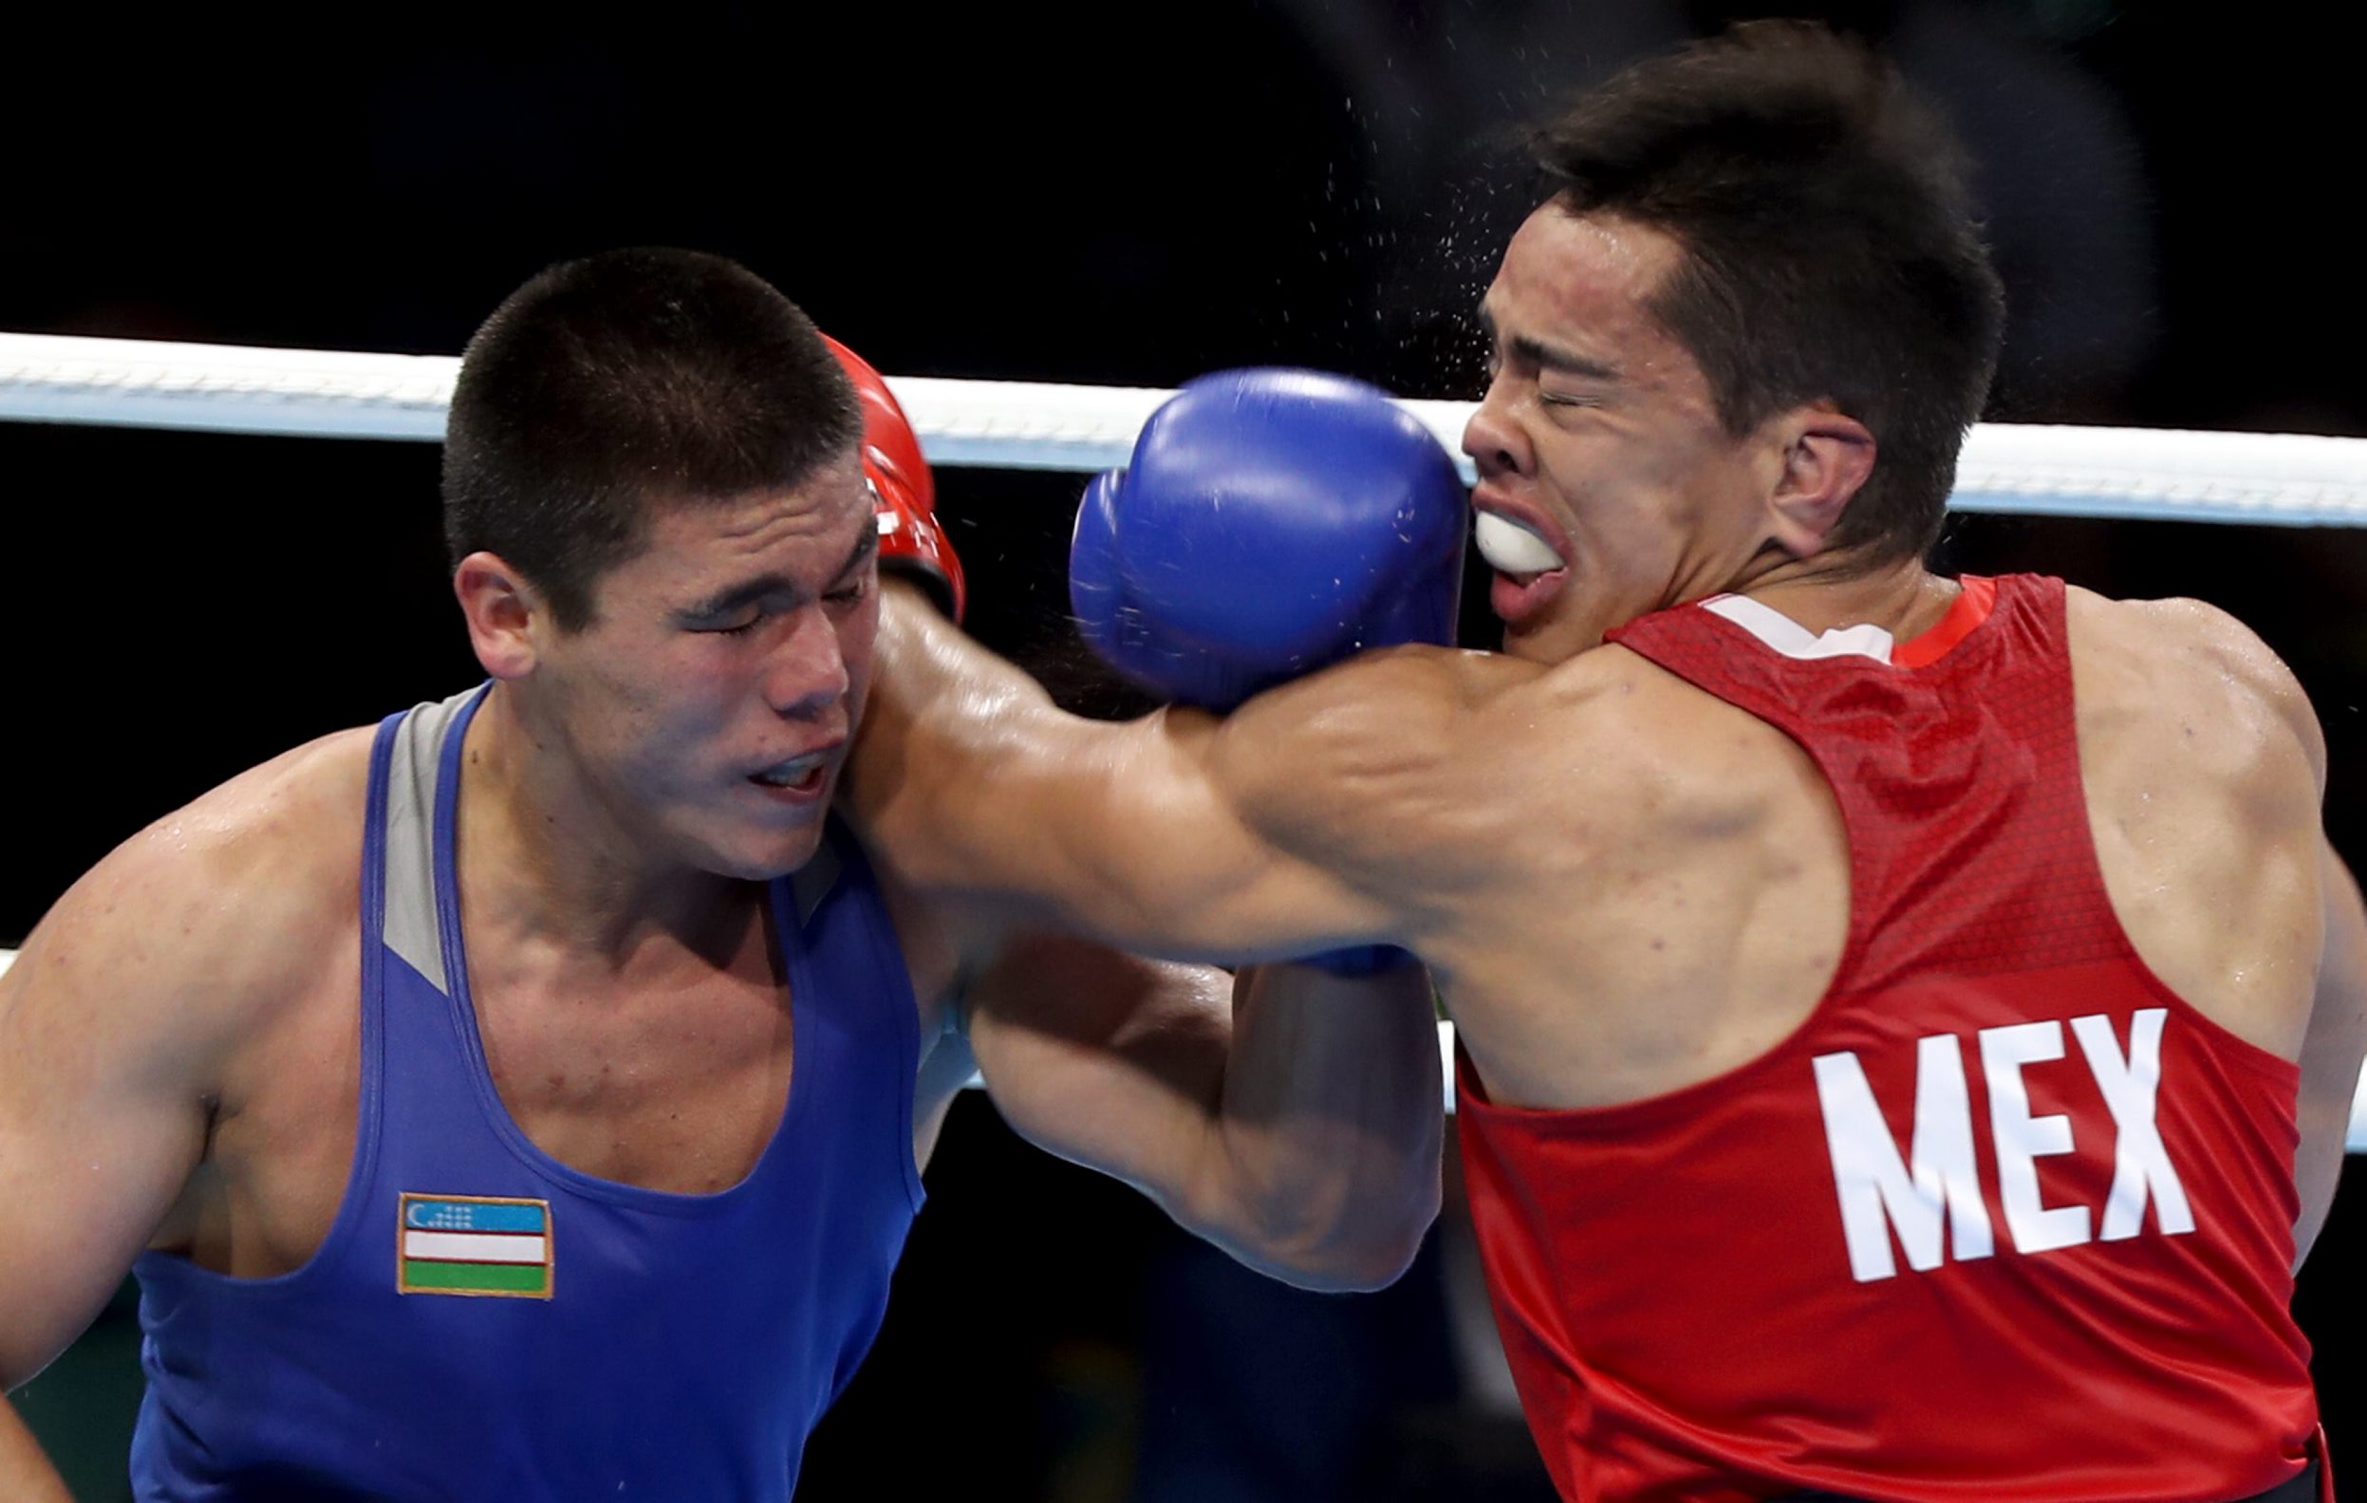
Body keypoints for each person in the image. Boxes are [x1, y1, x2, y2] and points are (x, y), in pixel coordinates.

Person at [849, 24, 2367, 1501]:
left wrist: (836, 485)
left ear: (1807, 470)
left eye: (1565, 392)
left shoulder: (1510, 769)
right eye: (1496, 367)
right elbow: (2262, 1215)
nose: (1481, 437)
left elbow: (987, 804)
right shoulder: (2219, 696)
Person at [0, 248, 1447, 1501]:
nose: (820, 678)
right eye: (735, 618)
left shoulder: (919, 897)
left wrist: (1345, 803)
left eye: (840, 590)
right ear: (509, 617)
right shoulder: (219, 932)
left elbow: (1324, 1213)